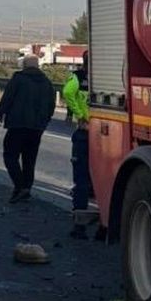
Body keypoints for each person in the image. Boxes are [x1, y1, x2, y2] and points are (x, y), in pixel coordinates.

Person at [0, 54, 56, 202]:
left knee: (10, 155)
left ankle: (20, 186)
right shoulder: (47, 82)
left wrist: (0, 112)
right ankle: (26, 188)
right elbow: (51, 105)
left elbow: (8, 97)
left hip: (17, 124)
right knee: (29, 159)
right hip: (37, 127)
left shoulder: (18, 79)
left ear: (24, 65)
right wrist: (44, 121)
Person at [63, 54, 91, 238]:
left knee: (81, 178)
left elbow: (66, 92)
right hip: (108, 129)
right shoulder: (109, 77)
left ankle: (79, 223)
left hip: (85, 131)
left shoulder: (78, 77)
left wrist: (79, 114)